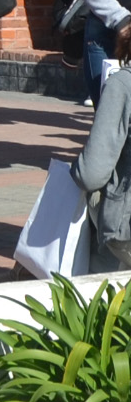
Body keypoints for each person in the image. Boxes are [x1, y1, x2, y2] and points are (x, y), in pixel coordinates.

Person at [71, 25, 131, 269]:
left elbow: (91, 173)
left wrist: (75, 168)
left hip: (126, 228)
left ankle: (93, 293)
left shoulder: (123, 84)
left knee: (91, 191)